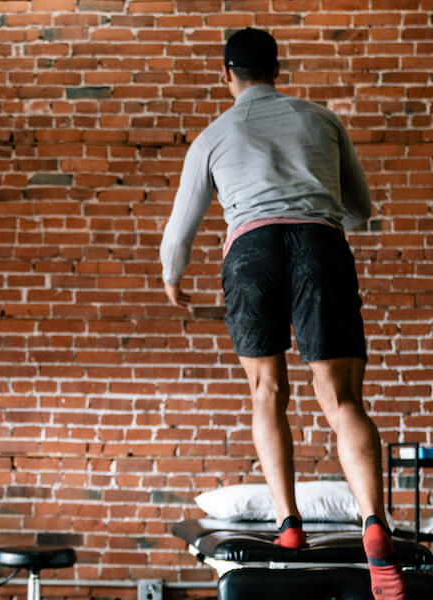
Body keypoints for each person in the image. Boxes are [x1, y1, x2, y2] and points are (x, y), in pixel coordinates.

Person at [159, 28, 404, 600]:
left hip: (251, 253)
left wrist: (173, 280)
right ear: (277, 68)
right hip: (321, 244)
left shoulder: (214, 136)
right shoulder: (321, 119)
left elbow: (180, 230)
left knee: (267, 390)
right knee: (342, 399)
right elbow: (360, 209)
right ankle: (374, 525)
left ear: (228, 76)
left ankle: (289, 524)